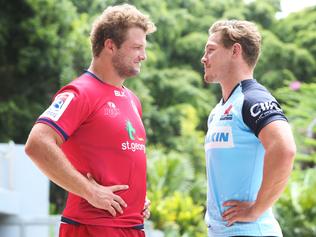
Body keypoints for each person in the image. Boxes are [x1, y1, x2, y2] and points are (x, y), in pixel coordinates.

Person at [25, 4, 156, 237]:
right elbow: (37, 143)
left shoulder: (132, 100)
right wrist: (89, 191)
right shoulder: (80, 92)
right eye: (136, 47)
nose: (143, 56)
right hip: (91, 227)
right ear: (110, 46)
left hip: (132, 227)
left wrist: (136, 199)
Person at [201, 20, 296, 237]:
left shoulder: (253, 99)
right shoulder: (219, 110)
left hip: (252, 231)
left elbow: (285, 149)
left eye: (211, 50)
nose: (203, 58)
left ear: (235, 50)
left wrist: (256, 210)